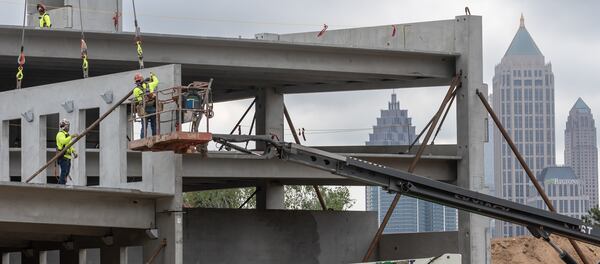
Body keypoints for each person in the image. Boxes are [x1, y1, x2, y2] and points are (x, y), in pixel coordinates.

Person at [133, 72, 159, 138]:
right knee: (154, 125)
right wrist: (152, 76)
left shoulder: (136, 90)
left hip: (143, 110)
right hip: (152, 108)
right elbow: (156, 81)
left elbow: (139, 100)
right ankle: (155, 137)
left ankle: (142, 139)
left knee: (144, 126)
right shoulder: (150, 85)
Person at [56, 119, 77, 185]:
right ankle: (61, 185)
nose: (68, 127)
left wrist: (74, 152)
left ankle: (61, 184)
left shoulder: (67, 135)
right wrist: (72, 136)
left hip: (68, 156)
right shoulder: (60, 134)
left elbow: (69, 145)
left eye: (68, 126)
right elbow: (63, 141)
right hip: (63, 156)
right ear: (63, 126)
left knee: (67, 172)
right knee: (64, 172)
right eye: (67, 126)